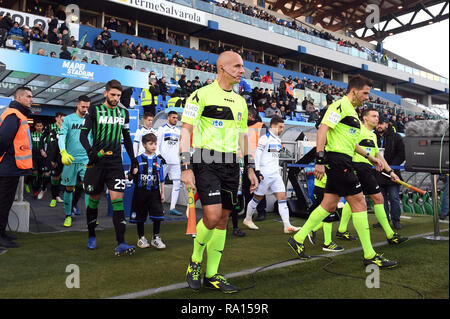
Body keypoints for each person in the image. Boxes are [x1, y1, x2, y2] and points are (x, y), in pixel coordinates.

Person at [288, 74, 398, 268]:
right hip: (338, 162)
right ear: (354, 91)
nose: (367, 97)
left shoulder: (352, 112)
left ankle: (298, 238)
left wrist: (370, 157)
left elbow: (351, 143)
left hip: (343, 160)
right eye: (365, 93)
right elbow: (322, 130)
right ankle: (370, 255)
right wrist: (320, 160)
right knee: (360, 203)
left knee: (328, 205)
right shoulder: (339, 106)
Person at [180, 51, 259, 293]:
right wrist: (186, 167)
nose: (241, 70)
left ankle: (212, 274)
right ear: (221, 68)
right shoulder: (200, 95)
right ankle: (195, 261)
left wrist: (250, 167)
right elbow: (185, 131)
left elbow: (243, 136)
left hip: (231, 165)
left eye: (242, 66)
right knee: (212, 217)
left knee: (224, 218)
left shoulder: (241, 102)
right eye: (236, 66)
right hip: (205, 160)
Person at [79, 79, 138, 256]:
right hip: (97, 164)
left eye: (118, 95)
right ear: (105, 93)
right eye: (112, 95)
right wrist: (91, 152)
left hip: (115, 164)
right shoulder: (95, 110)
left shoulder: (123, 113)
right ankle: (91, 236)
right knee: (94, 200)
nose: (115, 98)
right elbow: (83, 135)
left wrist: (133, 159)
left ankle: (121, 242)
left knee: (117, 201)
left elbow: (126, 138)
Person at [337, 108, 408, 245]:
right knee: (375, 198)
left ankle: (341, 229)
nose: (377, 119)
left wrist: (390, 172)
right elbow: (353, 146)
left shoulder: (373, 135)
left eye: (378, 116)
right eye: (374, 116)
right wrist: (369, 158)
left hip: (366, 169)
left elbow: (378, 156)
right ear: (365, 118)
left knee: (356, 199)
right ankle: (390, 234)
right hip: (356, 167)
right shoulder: (358, 130)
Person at [243, 116, 301, 233]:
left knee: (282, 197)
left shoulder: (278, 140)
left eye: (283, 127)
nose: (281, 130)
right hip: (265, 174)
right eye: (280, 127)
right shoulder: (265, 139)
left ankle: (287, 225)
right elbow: (258, 155)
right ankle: (248, 219)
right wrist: (258, 171)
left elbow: (276, 155)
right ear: (273, 126)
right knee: (257, 198)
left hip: (275, 174)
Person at [0, 87, 33, 248]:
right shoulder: (13, 115)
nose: (31, 99)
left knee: (5, 203)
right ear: (18, 98)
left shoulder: (18, 114)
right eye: (28, 96)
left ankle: (2, 233)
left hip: (11, 167)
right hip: (7, 168)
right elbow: (3, 139)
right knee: (3, 203)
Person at [59, 96, 91, 227]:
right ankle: (68, 215)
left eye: (87, 107)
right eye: (83, 106)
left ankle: (91, 217)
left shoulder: (91, 119)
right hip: (70, 160)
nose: (85, 109)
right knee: (69, 188)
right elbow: (62, 137)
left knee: (89, 188)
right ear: (77, 105)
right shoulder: (68, 119)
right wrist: (63, 152)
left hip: (86, 160)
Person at [129, 133, 166, 249]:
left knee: (157, 215)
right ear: (144, 145)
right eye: (151, 144)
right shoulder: (137, 160)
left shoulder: (159, 160)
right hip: (141, 192)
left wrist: (162, 193)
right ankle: (141, 238)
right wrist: (133, 173)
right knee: (140, 215)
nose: (154, 146)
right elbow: (131, 177)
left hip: (154, 193)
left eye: (155, 144)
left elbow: (162, 178)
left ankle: (156, 238)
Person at [375, 116, 405, 230]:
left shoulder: (396, 137)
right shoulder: (372, 136)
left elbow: (402, 153)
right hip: (377, 173)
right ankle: (384, 220)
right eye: (378, 123)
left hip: (392, 173)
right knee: (380, 199)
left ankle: (396, 220)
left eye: (381, 123)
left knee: (394, 198)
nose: (379, 126)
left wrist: (390, 166)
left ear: (387, 124)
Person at [157, 111, 183, 216]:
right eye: (173, 117)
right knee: (159, 183)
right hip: (164, 161)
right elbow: (157, 144)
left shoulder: (178, 130)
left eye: (177, 118)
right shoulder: (162, 129)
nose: (175, 119)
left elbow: (180, 146)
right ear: (168, 117)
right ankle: (158, 207)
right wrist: (159, 156)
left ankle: (173, 207)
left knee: (177, 183)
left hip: (175, 161)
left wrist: (182, 157)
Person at [243, 108, 267, 221]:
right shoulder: (244, 126)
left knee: (259, 188)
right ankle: (248, 212)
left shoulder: (261, 126)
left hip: (258, 163)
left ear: (251, 116)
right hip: (245, 162)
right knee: (246, 189)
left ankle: (262, 212)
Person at [40, 112, 65, 208]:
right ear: (57, 118)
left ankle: (56, 195)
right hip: (50, 154)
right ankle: (43, 189)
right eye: (62, 119)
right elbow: (42, 138)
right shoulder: (50, 127)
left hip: (62, 155)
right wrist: (42, 149)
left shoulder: (66, 127)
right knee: (48, 174)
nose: (63, 121)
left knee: (58, 176)